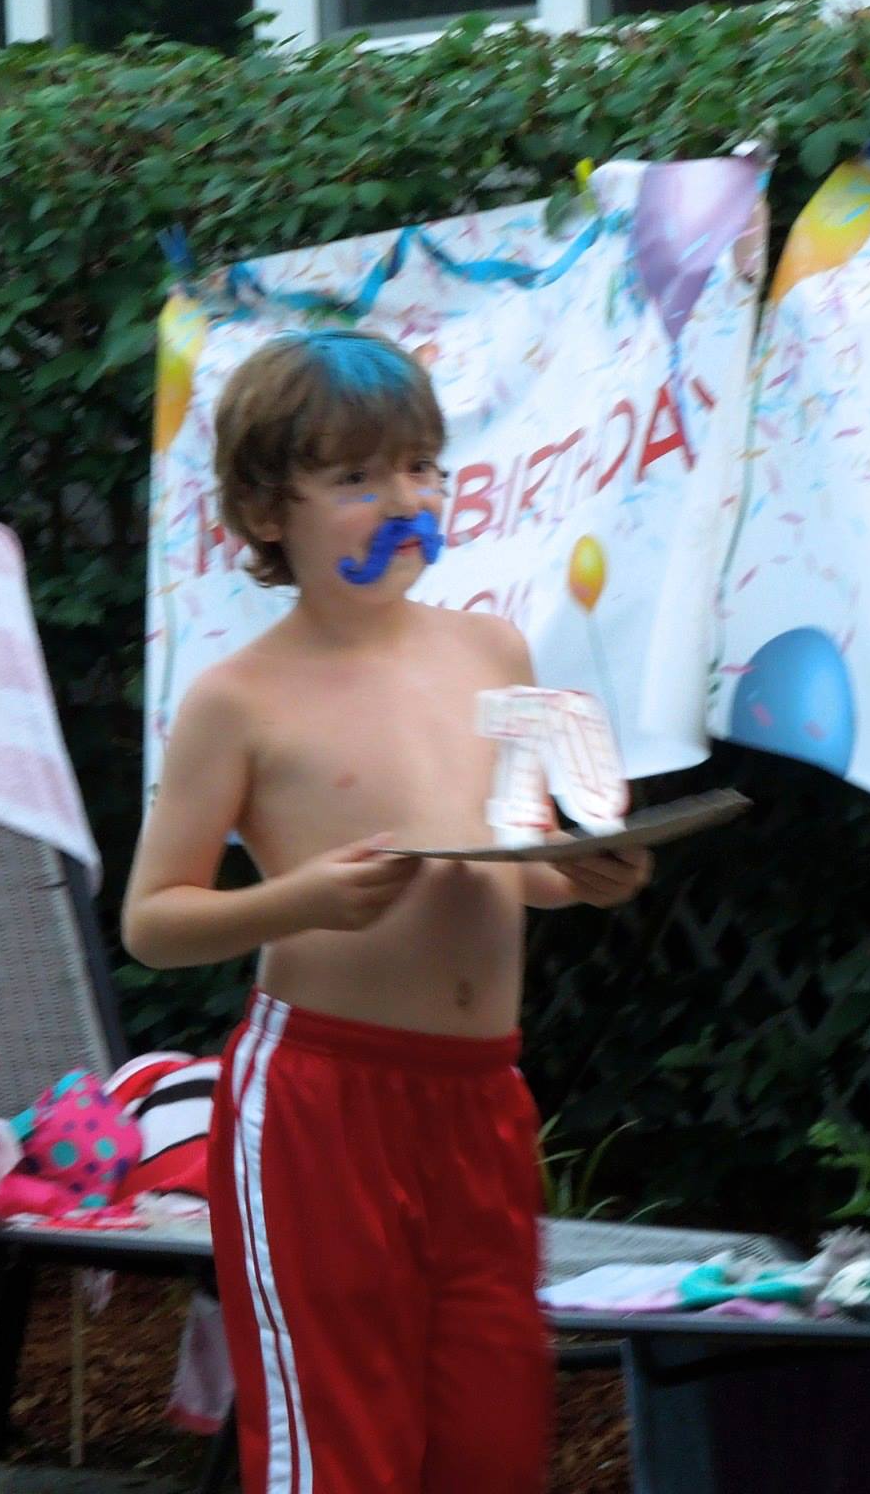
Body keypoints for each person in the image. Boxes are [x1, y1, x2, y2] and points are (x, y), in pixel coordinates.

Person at [122, 330, 651, 1494]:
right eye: (358, 478)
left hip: (478, 1099)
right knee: (341, 1449)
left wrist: (584, 871)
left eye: (419, 467)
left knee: (490, 1439)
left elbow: (520, 850)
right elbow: (151, 921)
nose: (404, 500)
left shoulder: (492, 649)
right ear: (267, 512)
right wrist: (298, 900)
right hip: (320, 1103)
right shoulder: (237, 699)